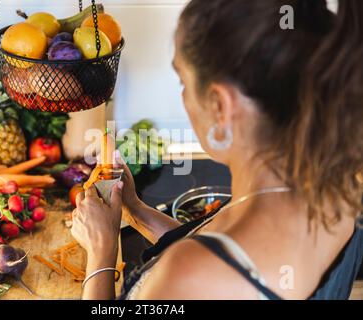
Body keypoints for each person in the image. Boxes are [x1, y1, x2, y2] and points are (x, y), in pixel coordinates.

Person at [70, 0, 363, 300]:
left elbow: (202, 270)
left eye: (184, 82)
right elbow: (217, 253)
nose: (184, 97)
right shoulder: (338, 192)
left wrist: (101, 253)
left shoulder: (186, 275)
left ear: (220, 105)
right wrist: (137, 210)